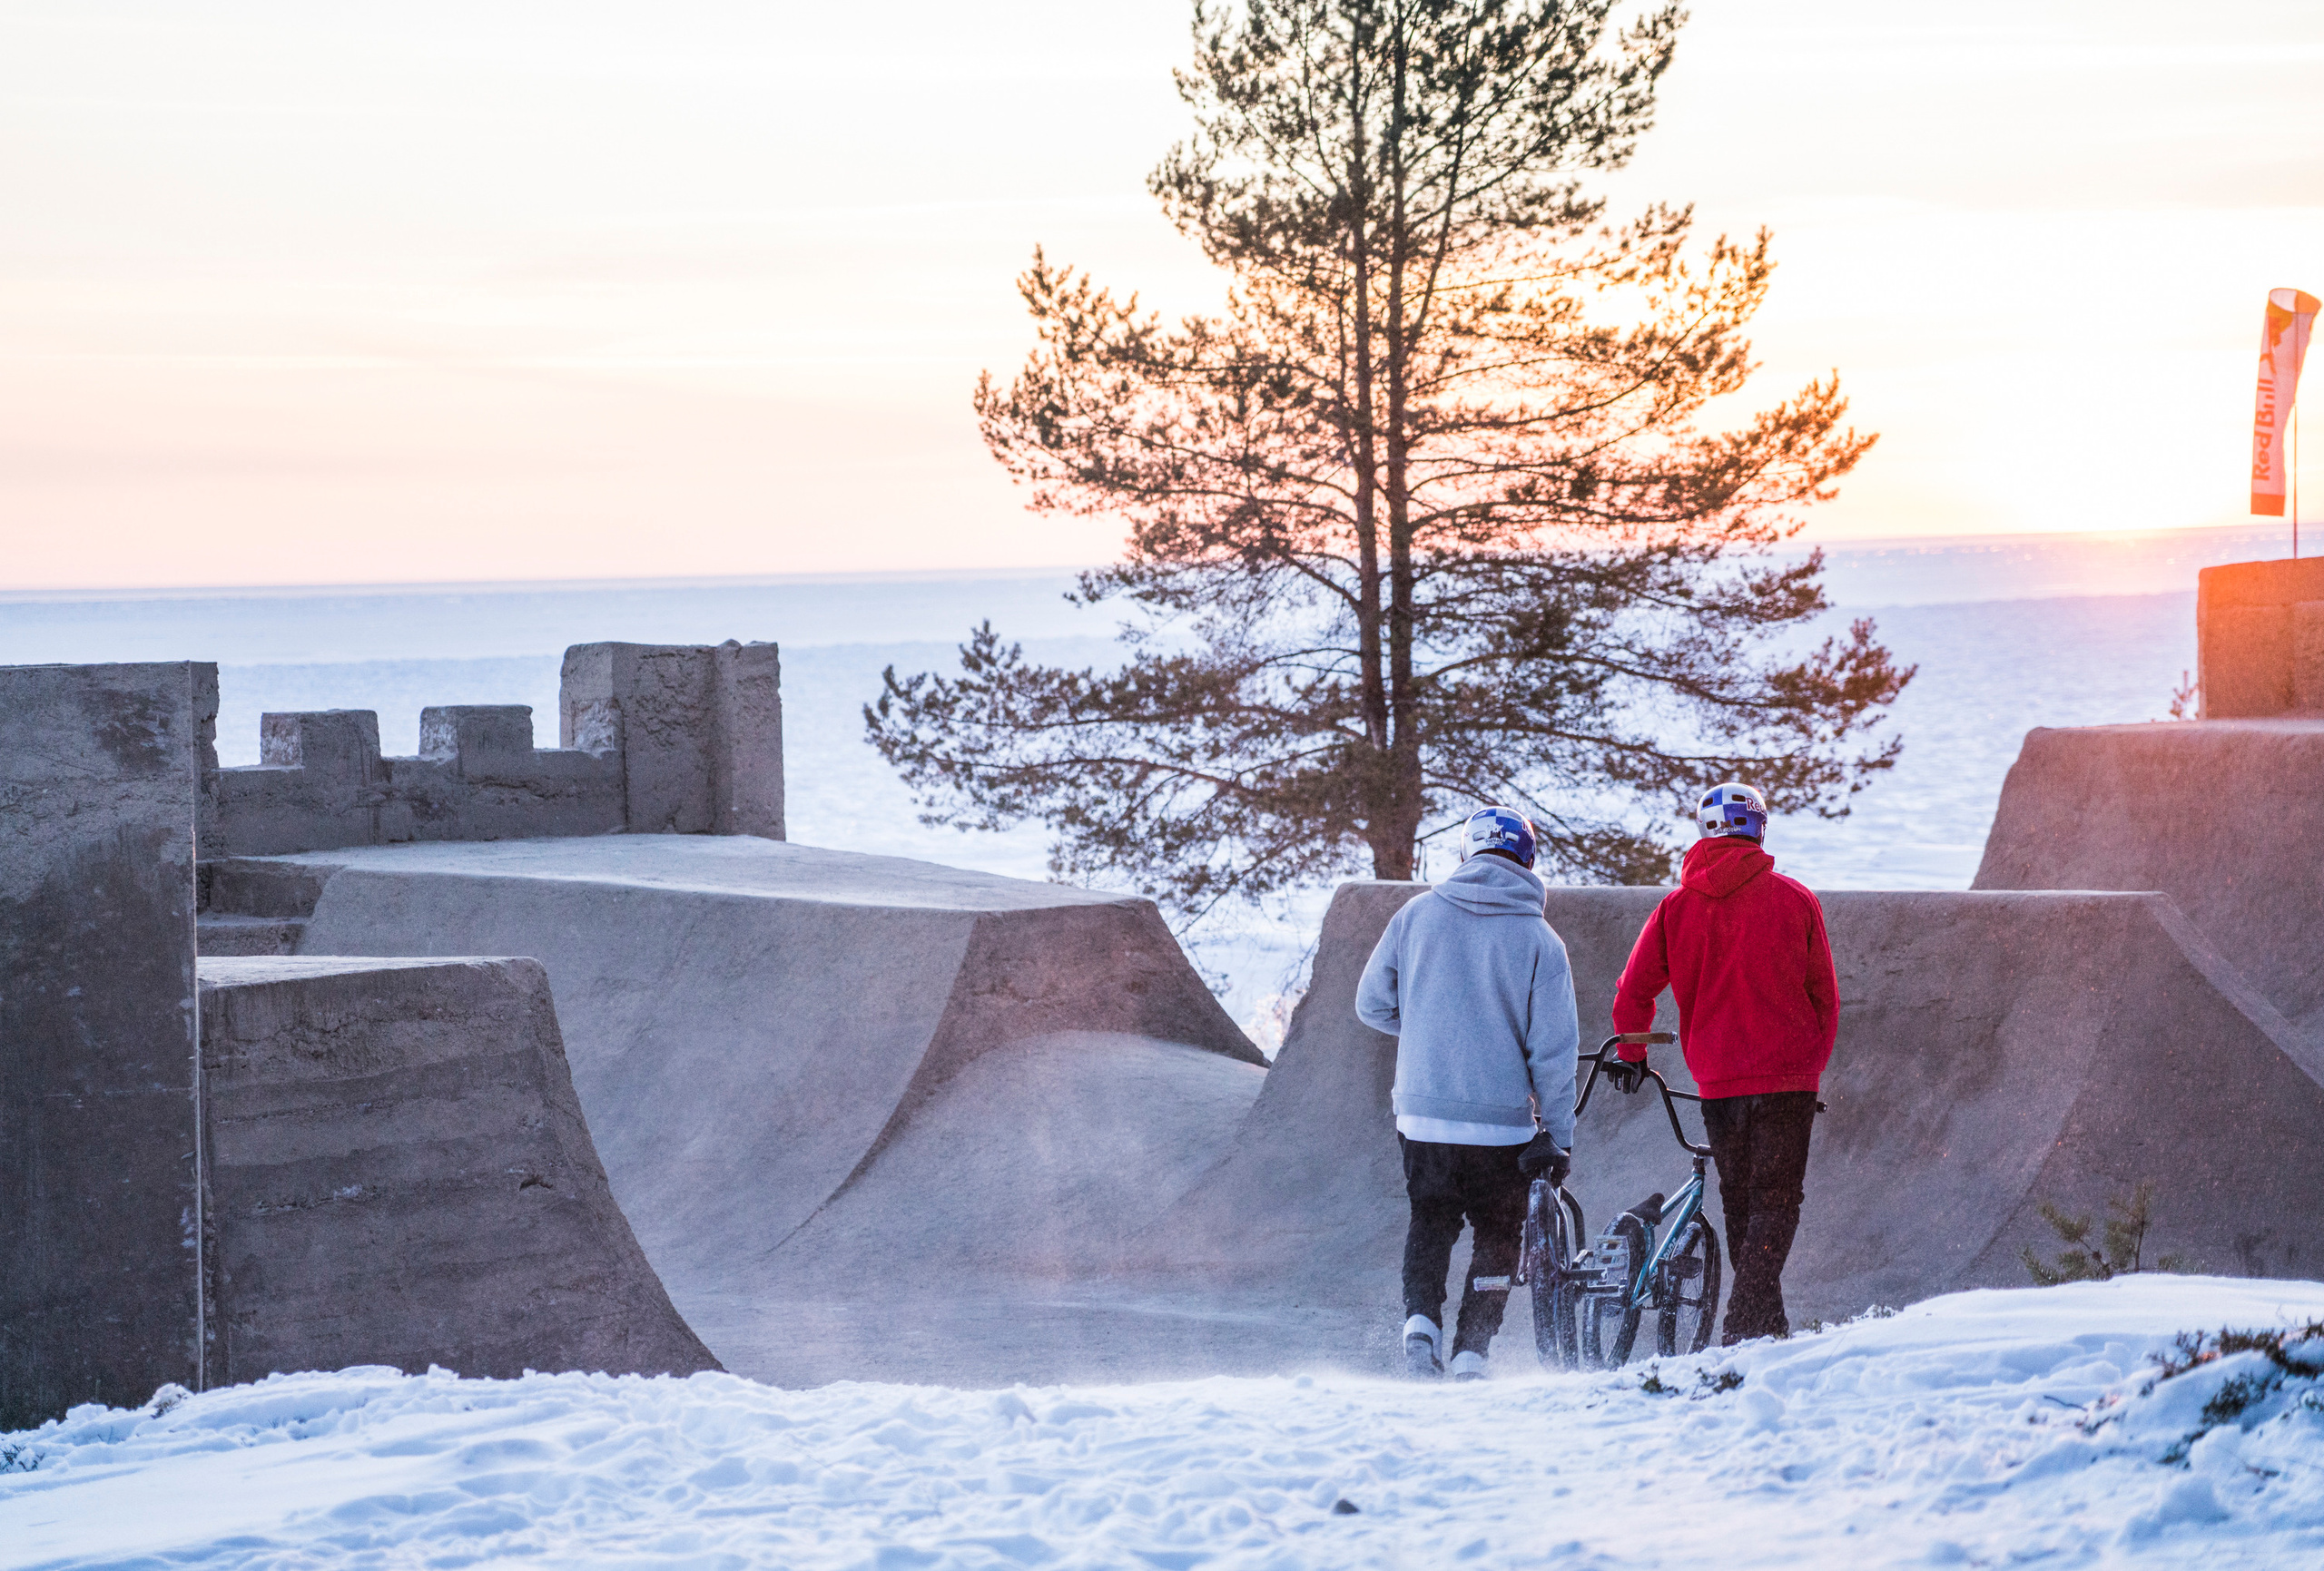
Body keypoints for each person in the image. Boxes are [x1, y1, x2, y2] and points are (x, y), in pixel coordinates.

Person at [1607, 781, 1837, 1344]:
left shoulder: (1675, 909)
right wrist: (1809, 1065)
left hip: (1718, 1081)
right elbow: (1824, 997)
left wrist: (1633, 1054)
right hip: (1787, 1080)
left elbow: (1632, 992)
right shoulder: (1796, 899)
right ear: (1759, 829)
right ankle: (1742, 1324)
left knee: (1741, 1203)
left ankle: (1766, 1329)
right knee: (1776, 1201)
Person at [1356, 806, 1580, 1380]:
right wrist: (1559, 1134)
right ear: (1527, 859)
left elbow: (1371, 1004)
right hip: (1502, 1128)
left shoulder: (1414, 916)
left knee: (1429, 1220)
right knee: (1498, 1234)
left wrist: (1431, 1031)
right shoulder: (1541, 939)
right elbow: (1553, 1053)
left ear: (1466, 852)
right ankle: (1471, 1355)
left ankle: (1419, 1330)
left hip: (1424, 1117)